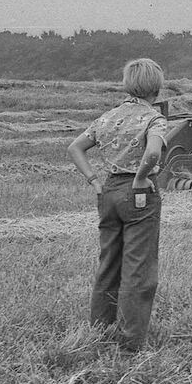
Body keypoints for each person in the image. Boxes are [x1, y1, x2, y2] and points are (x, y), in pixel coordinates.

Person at [67, 58, 168, 353]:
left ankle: (99, 330)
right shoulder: (154, 118)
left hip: (108, 191)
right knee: (138, 268)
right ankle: (129, 342)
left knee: (109, 262)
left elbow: (75, 148)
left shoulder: (108, 117)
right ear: (157, 87)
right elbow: (152, 153)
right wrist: (140, 179)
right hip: (137, 195)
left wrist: (94, 181)